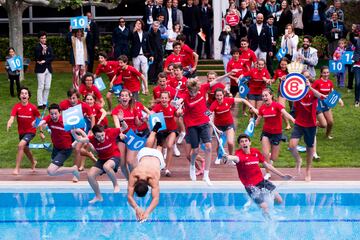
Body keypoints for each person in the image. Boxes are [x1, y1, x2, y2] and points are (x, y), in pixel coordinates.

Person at [222, 133, 292, 217]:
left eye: (246, 141)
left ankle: (272, 211)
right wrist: (227, 157)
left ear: (249, 143)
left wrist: (282, 176)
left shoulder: (255, 152)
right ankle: (267, 220)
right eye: (241, 142)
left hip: (262, 182)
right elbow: (234, 158)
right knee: (264, 207)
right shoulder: (239, 155)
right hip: (251, 187)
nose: (244, 143)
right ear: (240, 144)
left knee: (279, 200)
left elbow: (267, 165)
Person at [289, 70, 327, 181]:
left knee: (309, 148)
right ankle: (298, 160)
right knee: (292, 145)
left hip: (311, 124)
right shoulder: (297, 93)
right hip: (299, 123)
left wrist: (309, 87)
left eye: (307, 77)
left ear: (309, 78)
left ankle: (308, 170)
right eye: (303, 77)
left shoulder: (313, 91)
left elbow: (321, 96)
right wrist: (285, 81)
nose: (305, 79)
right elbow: (288, 90)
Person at [73, 124, 125, 203]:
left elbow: (125, 127)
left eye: (102, 135)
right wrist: (73, 132)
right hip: (102, 159)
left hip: (114, 156)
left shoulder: (110, 132)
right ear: (94, 136)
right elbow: (79, 140)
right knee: (90, 175)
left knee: (106, 167)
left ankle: (116, 185)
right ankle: (98, 196)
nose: (101, 138)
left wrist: (121, 120)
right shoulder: (92, 139)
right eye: (98, 136)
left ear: (104, 132)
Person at [127, 122, 165, 222]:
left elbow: (155, 199)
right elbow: (155, 198)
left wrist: (140, 209)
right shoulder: (134, 174)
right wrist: (139, 209)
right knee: (147, 147)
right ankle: (154, 131)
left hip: (157, 158)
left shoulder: (153, 179)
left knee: (159, 149)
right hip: (144, 155)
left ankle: (160, 142)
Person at [256, 88, 295, 180]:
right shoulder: (262, 108)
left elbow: (285, 114)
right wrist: (253, 123)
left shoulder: (277, 105)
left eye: (266, 95)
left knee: (274, 157)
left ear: (271, 96)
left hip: (277, 134)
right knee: (265, 154)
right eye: (263, 96)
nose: (264, 97)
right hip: (266, 133)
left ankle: (269, 159)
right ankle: (268, 173)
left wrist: (293, 119)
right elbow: (258, 119)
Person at [35, 103, 80, 178]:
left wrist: (73, 144)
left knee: (50, 171)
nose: (54, 116)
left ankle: (73, 169)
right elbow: (42, 122)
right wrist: (37, 123)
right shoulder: (49, 118)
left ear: (60, 112)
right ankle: (71, 170)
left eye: (55, 113)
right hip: (56, 148)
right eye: (51, 114)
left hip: (65, 150)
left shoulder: (66, 122)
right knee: (55, 170)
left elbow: (78, 135)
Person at [210, 88, 257, 158]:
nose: (219, 97)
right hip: (219, 127)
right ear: (215, 96)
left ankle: (231, 156)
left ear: (223, 95)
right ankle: (218, 157)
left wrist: (252, 107)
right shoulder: (213, 105)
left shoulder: (228, 100)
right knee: (220, 144)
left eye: (220, 95)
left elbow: (242, 100)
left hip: (229, 124)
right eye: (217, 96)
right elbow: (209, 117)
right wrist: (216, 129)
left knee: (230, 142)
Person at [7, 87, 41, 175]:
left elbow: (39, 119)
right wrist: (9, 123)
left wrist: (40, 131)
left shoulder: (33, 107)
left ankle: (17, 168)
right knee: (25, 149)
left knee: (20, 145)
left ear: (28, 96)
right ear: (20, 96)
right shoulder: (17, 107)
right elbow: (12, 117)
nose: (24, 95)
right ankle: (33, 161)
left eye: (26, 93)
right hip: (21, 132)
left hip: (31, 131)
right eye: (22, 93)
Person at [152, 92, 180, 176]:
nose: (164, 99)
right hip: (161, 131)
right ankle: (160, 165)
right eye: (162, 98)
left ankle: (167, 169)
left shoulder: (172, 107)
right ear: (160, 99)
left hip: (172, 130)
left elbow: (177, 114)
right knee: (159, 148)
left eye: (165, 98)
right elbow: (152, 113)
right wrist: (149, 115)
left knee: (170, 146)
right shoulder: (157, 107)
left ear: (169, 99)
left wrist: (179, 112)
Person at [313, 66, 344, 139]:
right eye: (324, 73)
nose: (326, 74)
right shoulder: (317, 82)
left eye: (327, 72)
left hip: (326, 103)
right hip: (318, 104)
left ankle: (327, 135)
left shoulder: (330, 82)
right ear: (321, 73)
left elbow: (332, 92)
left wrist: (340, 100)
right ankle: (315, 124)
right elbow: (312, 92)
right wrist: (319, 95)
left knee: (330, 122)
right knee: (324, 125)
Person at [130, 19, 151, 95]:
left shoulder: (145, 34)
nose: (138, 25)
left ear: (142, 25)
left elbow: (148, 44)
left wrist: (151, 54)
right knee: (136, 73)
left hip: (144, 55)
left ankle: (145, 88)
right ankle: (136, 89)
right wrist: (134, 31)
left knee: (145, 72)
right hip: (135, 55)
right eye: (137, 24)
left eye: (139, 23)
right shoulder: (133, 33)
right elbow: (130, 40)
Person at [34, 31, 54, 109]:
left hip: (48, 69)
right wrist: (43, 52)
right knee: (41, 86)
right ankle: (40, 104)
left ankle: (45, 102)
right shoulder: (37, 47)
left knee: (48, 86)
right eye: (42, 38)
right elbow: (37, 58)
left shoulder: (49, 47)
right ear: (39, 39)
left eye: (45, 38)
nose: (44, 39)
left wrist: (45, 61)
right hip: (40, 69)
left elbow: (52, 57)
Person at [272, 57, 292, 130]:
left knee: (292, 107)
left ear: (288, 64)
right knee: (281, 108)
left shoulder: (291, 71)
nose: (283, 66)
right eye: (282, 64)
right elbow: (274, 79)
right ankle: (288, 124)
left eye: (285, 64)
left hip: (292, 92)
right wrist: (270, 80)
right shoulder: (278, 71)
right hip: (282, 91)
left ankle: (294, 118)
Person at [350, 24, 360, 107]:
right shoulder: (357, 40)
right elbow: (351, 39)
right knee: (357, 83)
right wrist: (352, 32)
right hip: (357, 64)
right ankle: (357, 100)